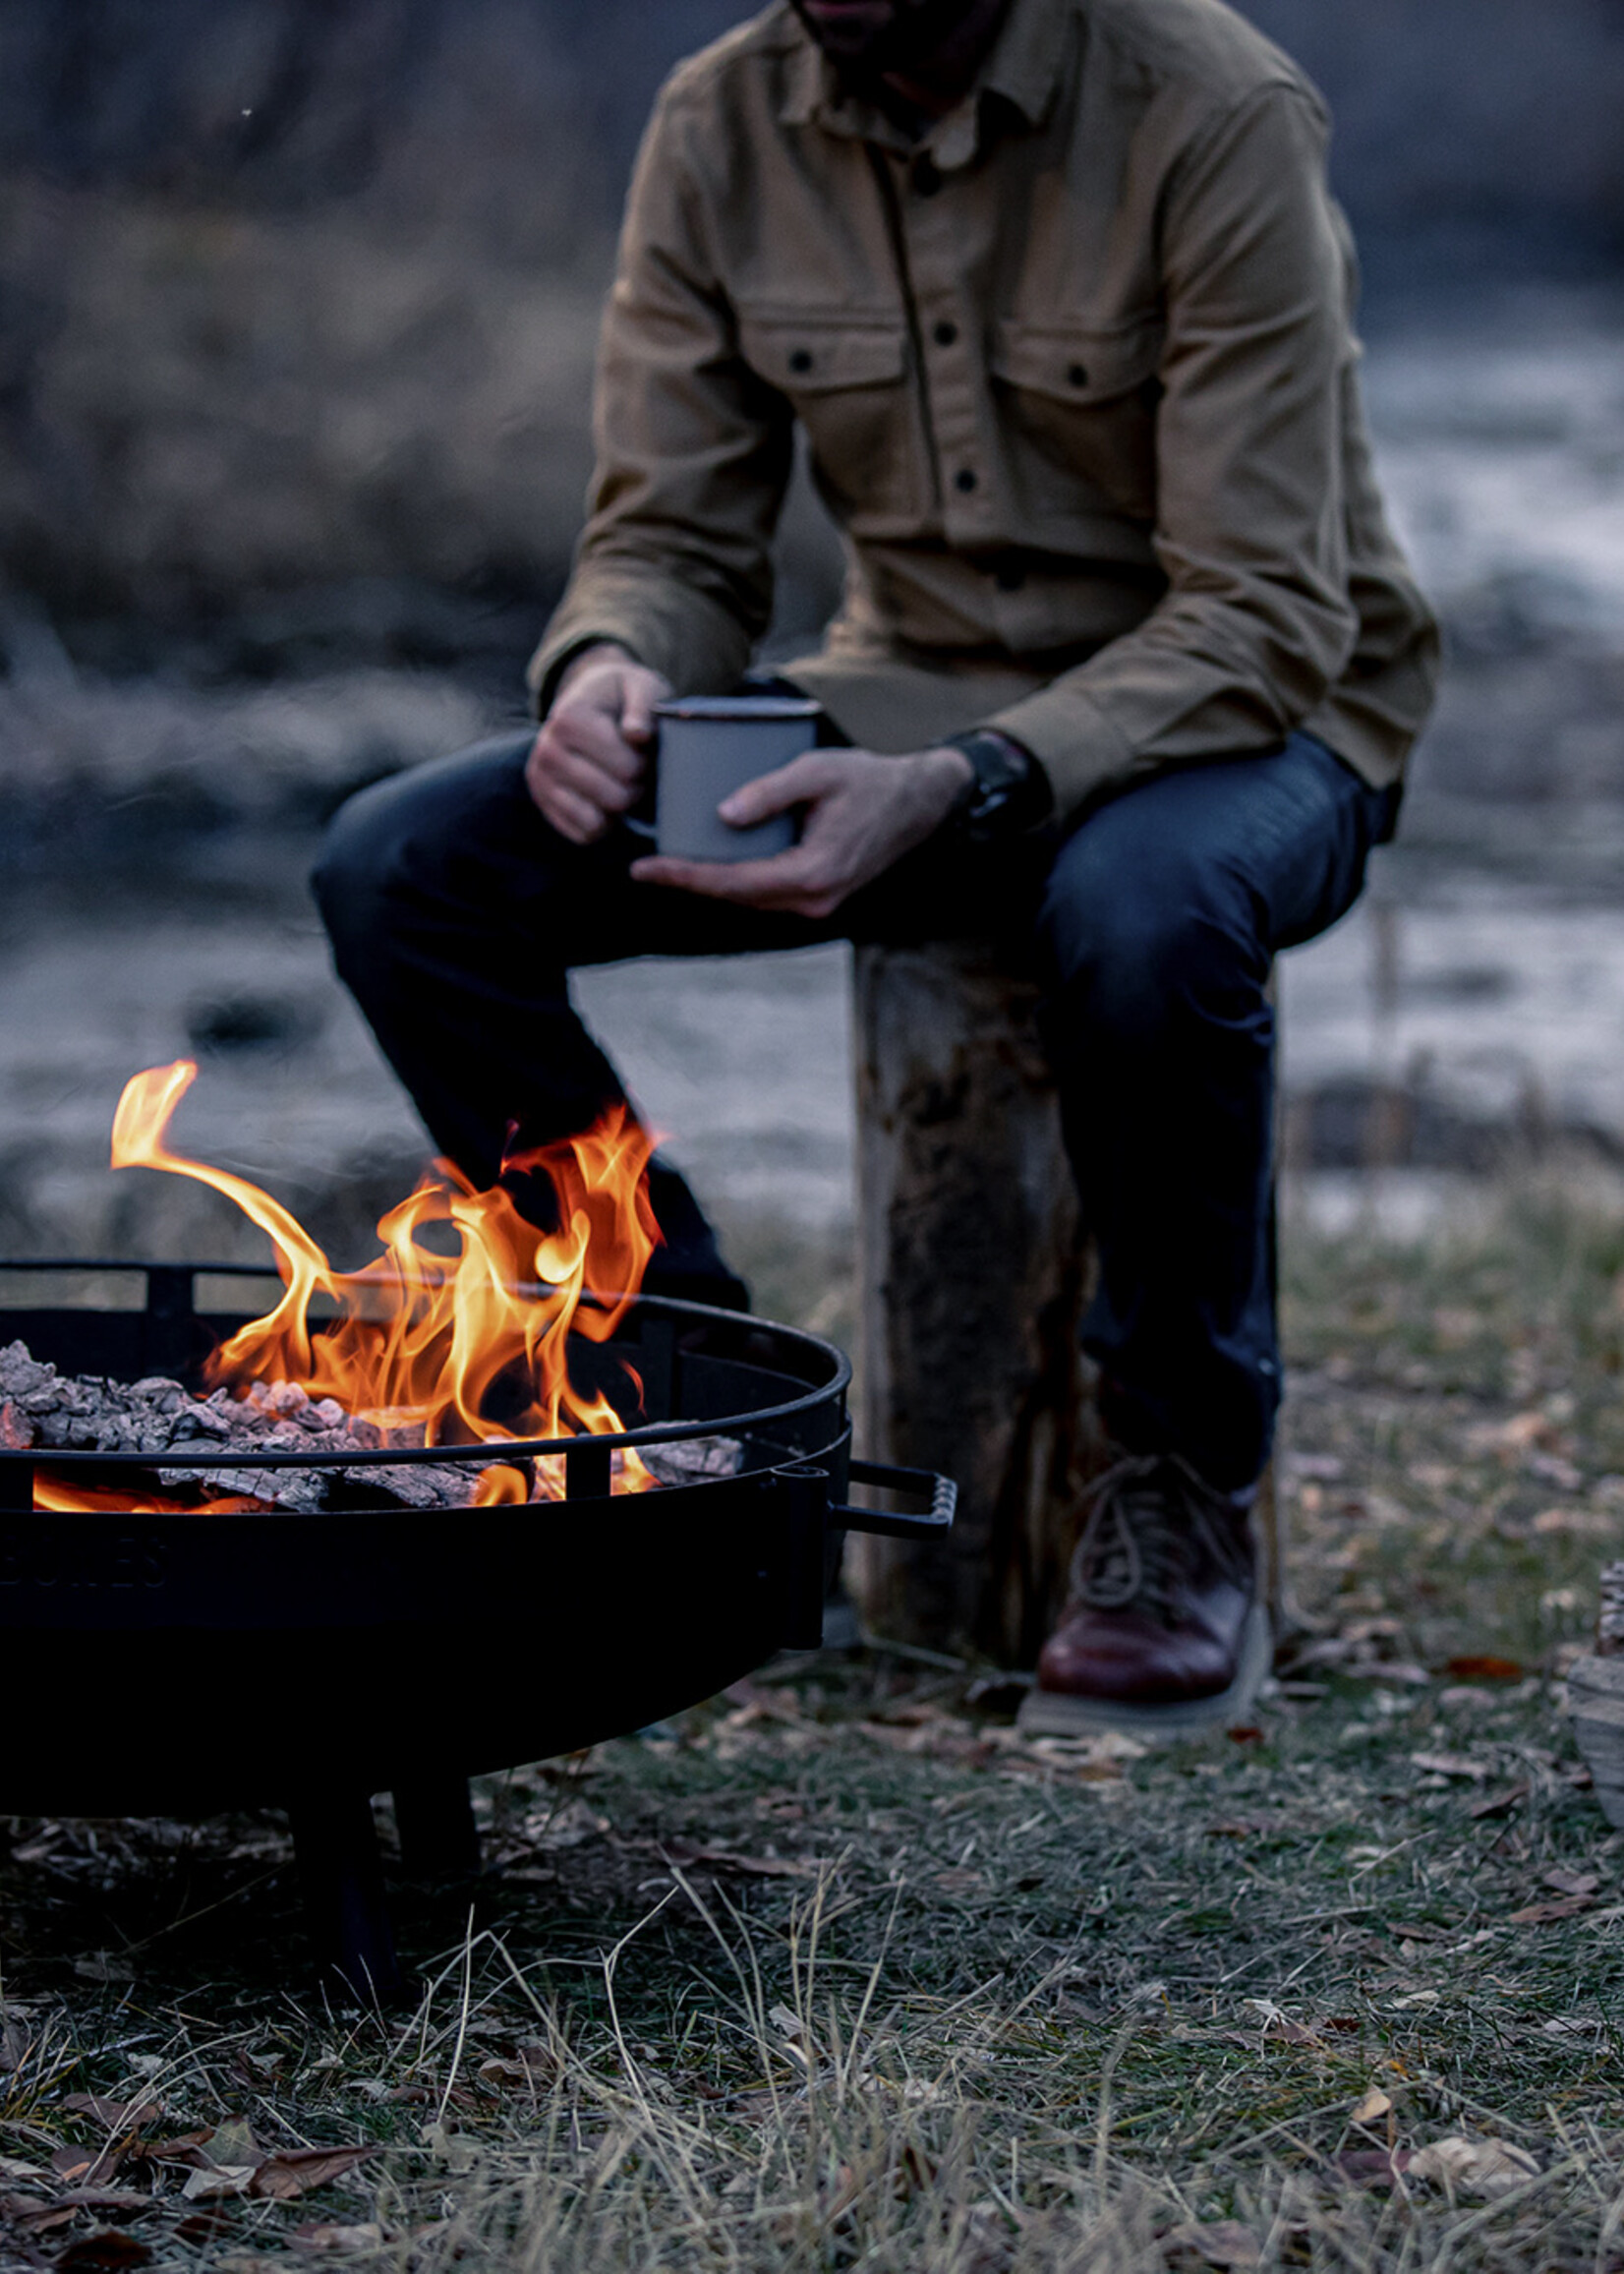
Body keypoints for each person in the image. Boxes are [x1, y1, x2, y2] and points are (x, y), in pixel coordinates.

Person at [314, 0, 1438, 1726]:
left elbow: (1267, 609)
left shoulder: (1212, 108)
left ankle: (1179, 1487)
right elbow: (674, 536)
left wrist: (972, 784)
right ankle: (683, 1395)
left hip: (1253, 714)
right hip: (898, 687)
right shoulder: (718, 119)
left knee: (1138, 912)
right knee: (407, 872)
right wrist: (610, 665)